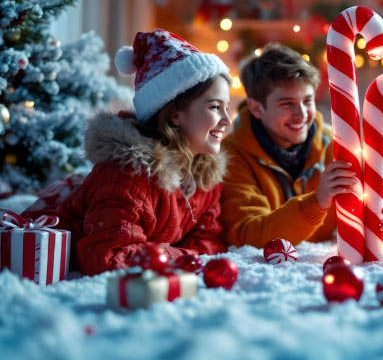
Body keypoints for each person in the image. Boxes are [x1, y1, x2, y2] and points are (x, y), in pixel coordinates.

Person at [22, 29, 231, 275]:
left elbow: (211, 242)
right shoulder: (127, 174)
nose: (227, 120)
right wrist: (180, 255)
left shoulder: (204, 177)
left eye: (226, 108)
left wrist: (166, 253)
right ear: (175, 114)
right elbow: (106, 258)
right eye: (216, 107)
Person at [220, 43, 383, 248]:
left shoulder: (342, 146)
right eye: (286, 104)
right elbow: (245, 234)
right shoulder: (234, 155)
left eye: (307, 101)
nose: (301, 114)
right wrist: (317, 202)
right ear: (256, 108)